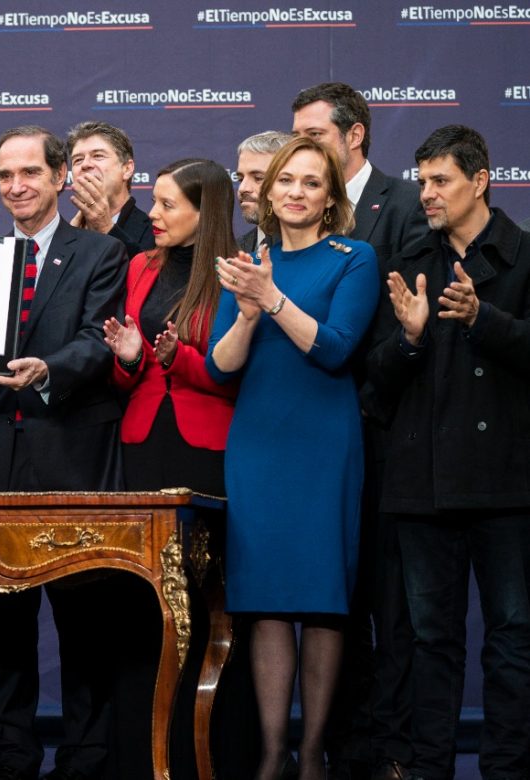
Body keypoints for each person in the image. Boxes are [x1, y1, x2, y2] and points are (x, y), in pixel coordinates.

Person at [206, 135, 378, 780]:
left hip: (323, 443)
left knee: (322, 598)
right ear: (268, 193)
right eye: (287, 181)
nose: (297, 193)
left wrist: (273, 299)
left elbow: (335, 349)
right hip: (257, 445)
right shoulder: (246, 261)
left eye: (312, 182)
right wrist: (249, 312)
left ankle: (313, 756)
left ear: (331, 197)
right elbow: (221, 367)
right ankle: (274, 754)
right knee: (267, 599)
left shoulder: (353, 258)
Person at [363, 124, 530, 780]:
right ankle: (429, 768)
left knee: (513, 639)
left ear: (481, 181)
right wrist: (408, 339)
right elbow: (375, 378)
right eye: (422, 180)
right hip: (421, 484)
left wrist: (483, 320)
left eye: (441, 181)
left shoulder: (524, 258)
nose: (426, 193)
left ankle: (508, 769)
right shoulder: (410, 265)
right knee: (431, 642)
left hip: (507, 484)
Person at [0, 125, 127, 780]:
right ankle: (12, 755)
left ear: (61, 176)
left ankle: (85, 757)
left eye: (29, 172)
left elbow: (98, 339)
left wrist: (49, 368)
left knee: (82, 618)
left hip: (69, 455)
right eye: (4, 175)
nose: (15, 187)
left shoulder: (100, 252)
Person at [291, 81, 426, 780]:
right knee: (329, 595)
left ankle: (394, 749)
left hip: (384, 427)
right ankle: (343, 742)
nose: (304, 149)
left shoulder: (402, 205)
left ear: (355, 135)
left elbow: (407, 325)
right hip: (313, 439)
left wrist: (359, 393)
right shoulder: (299, 216)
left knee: (389, 602)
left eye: (315, 134)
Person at [101, 158, 237, 777]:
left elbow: (231, 376)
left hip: (205, 454)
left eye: (164, 205)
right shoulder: (138, 267)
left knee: (203, 607)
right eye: (152, 203)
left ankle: (201, 754)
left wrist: (177, 358)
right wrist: (130, 359)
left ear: (203, 213)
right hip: (142, 445)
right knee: (140, 603)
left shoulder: (237, 275)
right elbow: (123, 371)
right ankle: (139, 755)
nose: (150, 215)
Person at [65, 121, 155, 258]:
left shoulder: (156, 232)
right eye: (78, 160)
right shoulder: (66, 235)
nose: (85, 164)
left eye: (98, 156)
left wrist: (106, 228)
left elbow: (149, 276)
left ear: (127, 169)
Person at [236, 131, 292, 253]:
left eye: (258, 178)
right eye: (240, 179)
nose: (242, 188)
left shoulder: (328, 250)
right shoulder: (233, 251)